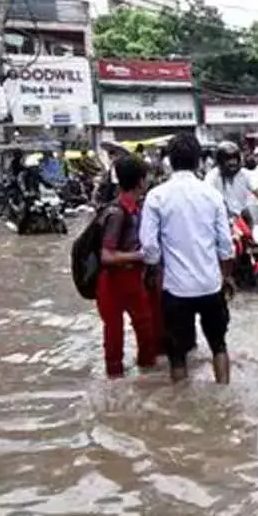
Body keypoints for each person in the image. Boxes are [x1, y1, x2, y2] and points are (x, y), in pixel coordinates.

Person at [140, 132, 235, 384]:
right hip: (210, 285)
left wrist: (151, 272)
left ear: (169, 161)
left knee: (177, 353)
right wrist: (225, 277)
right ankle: (224, 395)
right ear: (199, 161)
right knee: (219, 345)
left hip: (176, 289)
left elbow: (149, 247)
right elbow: (226, 246)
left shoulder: (156, 196)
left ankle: (181, 405)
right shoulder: (212, 195)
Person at [96, 155, 160, 378]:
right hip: (113, 283)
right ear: (141, 181)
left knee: (147, 333)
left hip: (132, 280)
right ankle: (116, 384)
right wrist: (141, 255)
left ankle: (147, 383)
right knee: (114, 339)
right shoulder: (117, 213)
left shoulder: (138, 209)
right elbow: (106, 256)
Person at [204, 141, 258, 219]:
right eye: (228, 159)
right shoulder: (212, 177)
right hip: (221, 217)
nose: (232, 162)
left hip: (242, 217)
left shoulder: (245, 174)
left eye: (235, 159)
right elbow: (207, 197)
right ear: (220, 161)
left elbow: (256, 189)